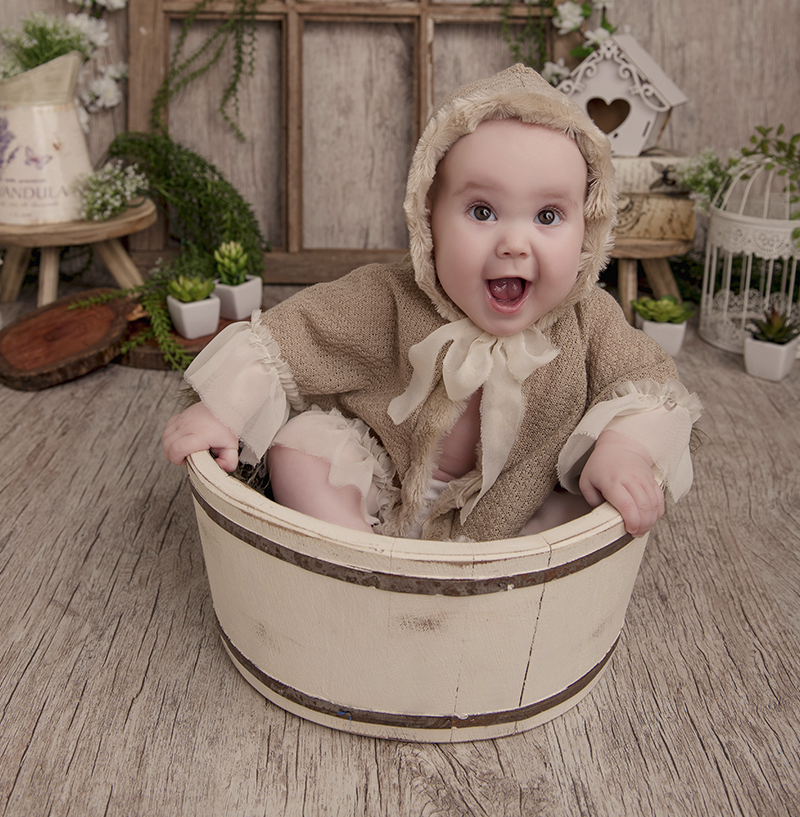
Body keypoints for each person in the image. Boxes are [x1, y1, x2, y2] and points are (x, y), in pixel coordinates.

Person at [163, 64, 700, 542]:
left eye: (548, 217)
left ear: (588, 230)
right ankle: (359, 555)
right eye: (483, 212)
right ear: (428, 222)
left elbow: (646, 385)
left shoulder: (589, 321)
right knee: (301, 447)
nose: (515, 243)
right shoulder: (389, 297)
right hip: (383, 482)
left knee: (587, 502)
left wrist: (625, 448)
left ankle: (499, 585)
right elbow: (293, 337)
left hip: (511, 515)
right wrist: (224, 408)